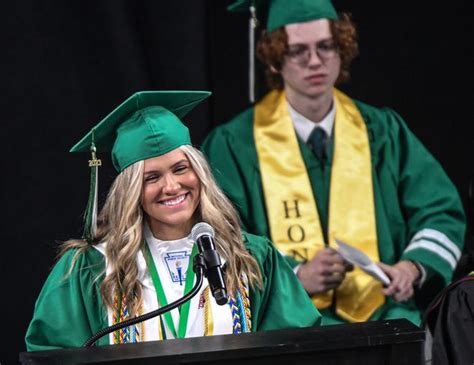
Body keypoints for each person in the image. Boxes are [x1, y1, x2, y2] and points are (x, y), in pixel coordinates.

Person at [201, 0, 466, 326]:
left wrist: (412, 267)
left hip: (386, 318)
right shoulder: (234, 144)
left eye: (326, 46)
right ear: (274, 60)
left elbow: (441, 211)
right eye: (298, 50)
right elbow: (222, 236)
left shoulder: (382, 131)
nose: (315, 61)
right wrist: (294, 275)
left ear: (342, 50)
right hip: (287, 323)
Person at [25, 90, 321, 351]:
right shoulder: (91, 268)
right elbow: (53, 353)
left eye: (181, 168)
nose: (171, 186)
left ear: (199, 172)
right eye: (151, 177)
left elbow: (294, 345)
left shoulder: (250, 256)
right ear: (130, 191)